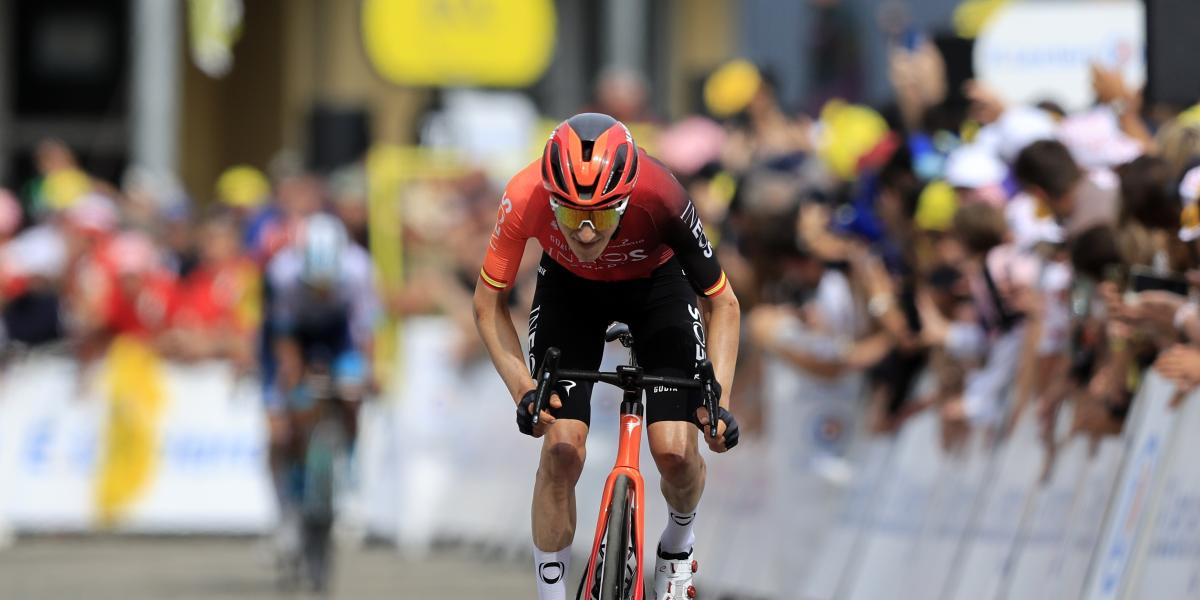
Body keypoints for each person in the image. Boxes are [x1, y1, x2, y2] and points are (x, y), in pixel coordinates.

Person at [472, 113, 741, 600]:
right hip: (570, 292)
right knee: (561, 447)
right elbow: (487, 305)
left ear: (628, 197)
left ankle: (679, 542)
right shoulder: (523, 194)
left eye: (605, 214)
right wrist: (524, 390)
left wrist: (717, 400)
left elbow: (722, 302)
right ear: (552, 201)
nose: (590, 232)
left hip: (657, 285)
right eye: (573, 216)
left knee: (677, 454)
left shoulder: (663, 195)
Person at [265, 213, 379, 583]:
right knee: (282, 430)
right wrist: (291, 380)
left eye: (328, 286)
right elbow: (283, 341)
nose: (321, 293)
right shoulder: (281, 273)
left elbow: (364, 334)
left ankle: (348, 459)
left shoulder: (360, 270)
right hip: (294, 336)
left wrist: (365, 376)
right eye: (315, 286)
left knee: (352, 390)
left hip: (339, 336)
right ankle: (287, 512)